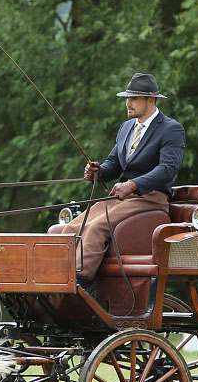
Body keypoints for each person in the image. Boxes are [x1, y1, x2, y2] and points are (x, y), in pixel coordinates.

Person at [61, 73, 185, 285]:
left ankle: (80, 279)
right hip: (121, 198)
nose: (128, 103)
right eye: (127, 98)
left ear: (151, 100)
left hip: (150, 198)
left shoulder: (171, 129)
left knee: (97, 226)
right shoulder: (126, 127)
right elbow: (114, 164)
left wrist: (134, 184)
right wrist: (98, 171)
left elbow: (167, 169)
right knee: (73, 226)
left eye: (134, 98)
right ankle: (55, 274)